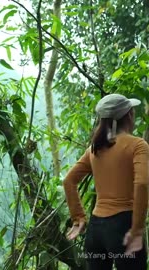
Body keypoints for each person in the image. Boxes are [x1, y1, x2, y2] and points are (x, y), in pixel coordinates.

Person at [63, 93, 149, 269]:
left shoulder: (94, 149)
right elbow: (142, 184)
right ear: (129, 115)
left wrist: (78, 217)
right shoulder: (138, 145)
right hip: (123, 227)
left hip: (96, 231)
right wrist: (137, 228)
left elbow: (69, 181)